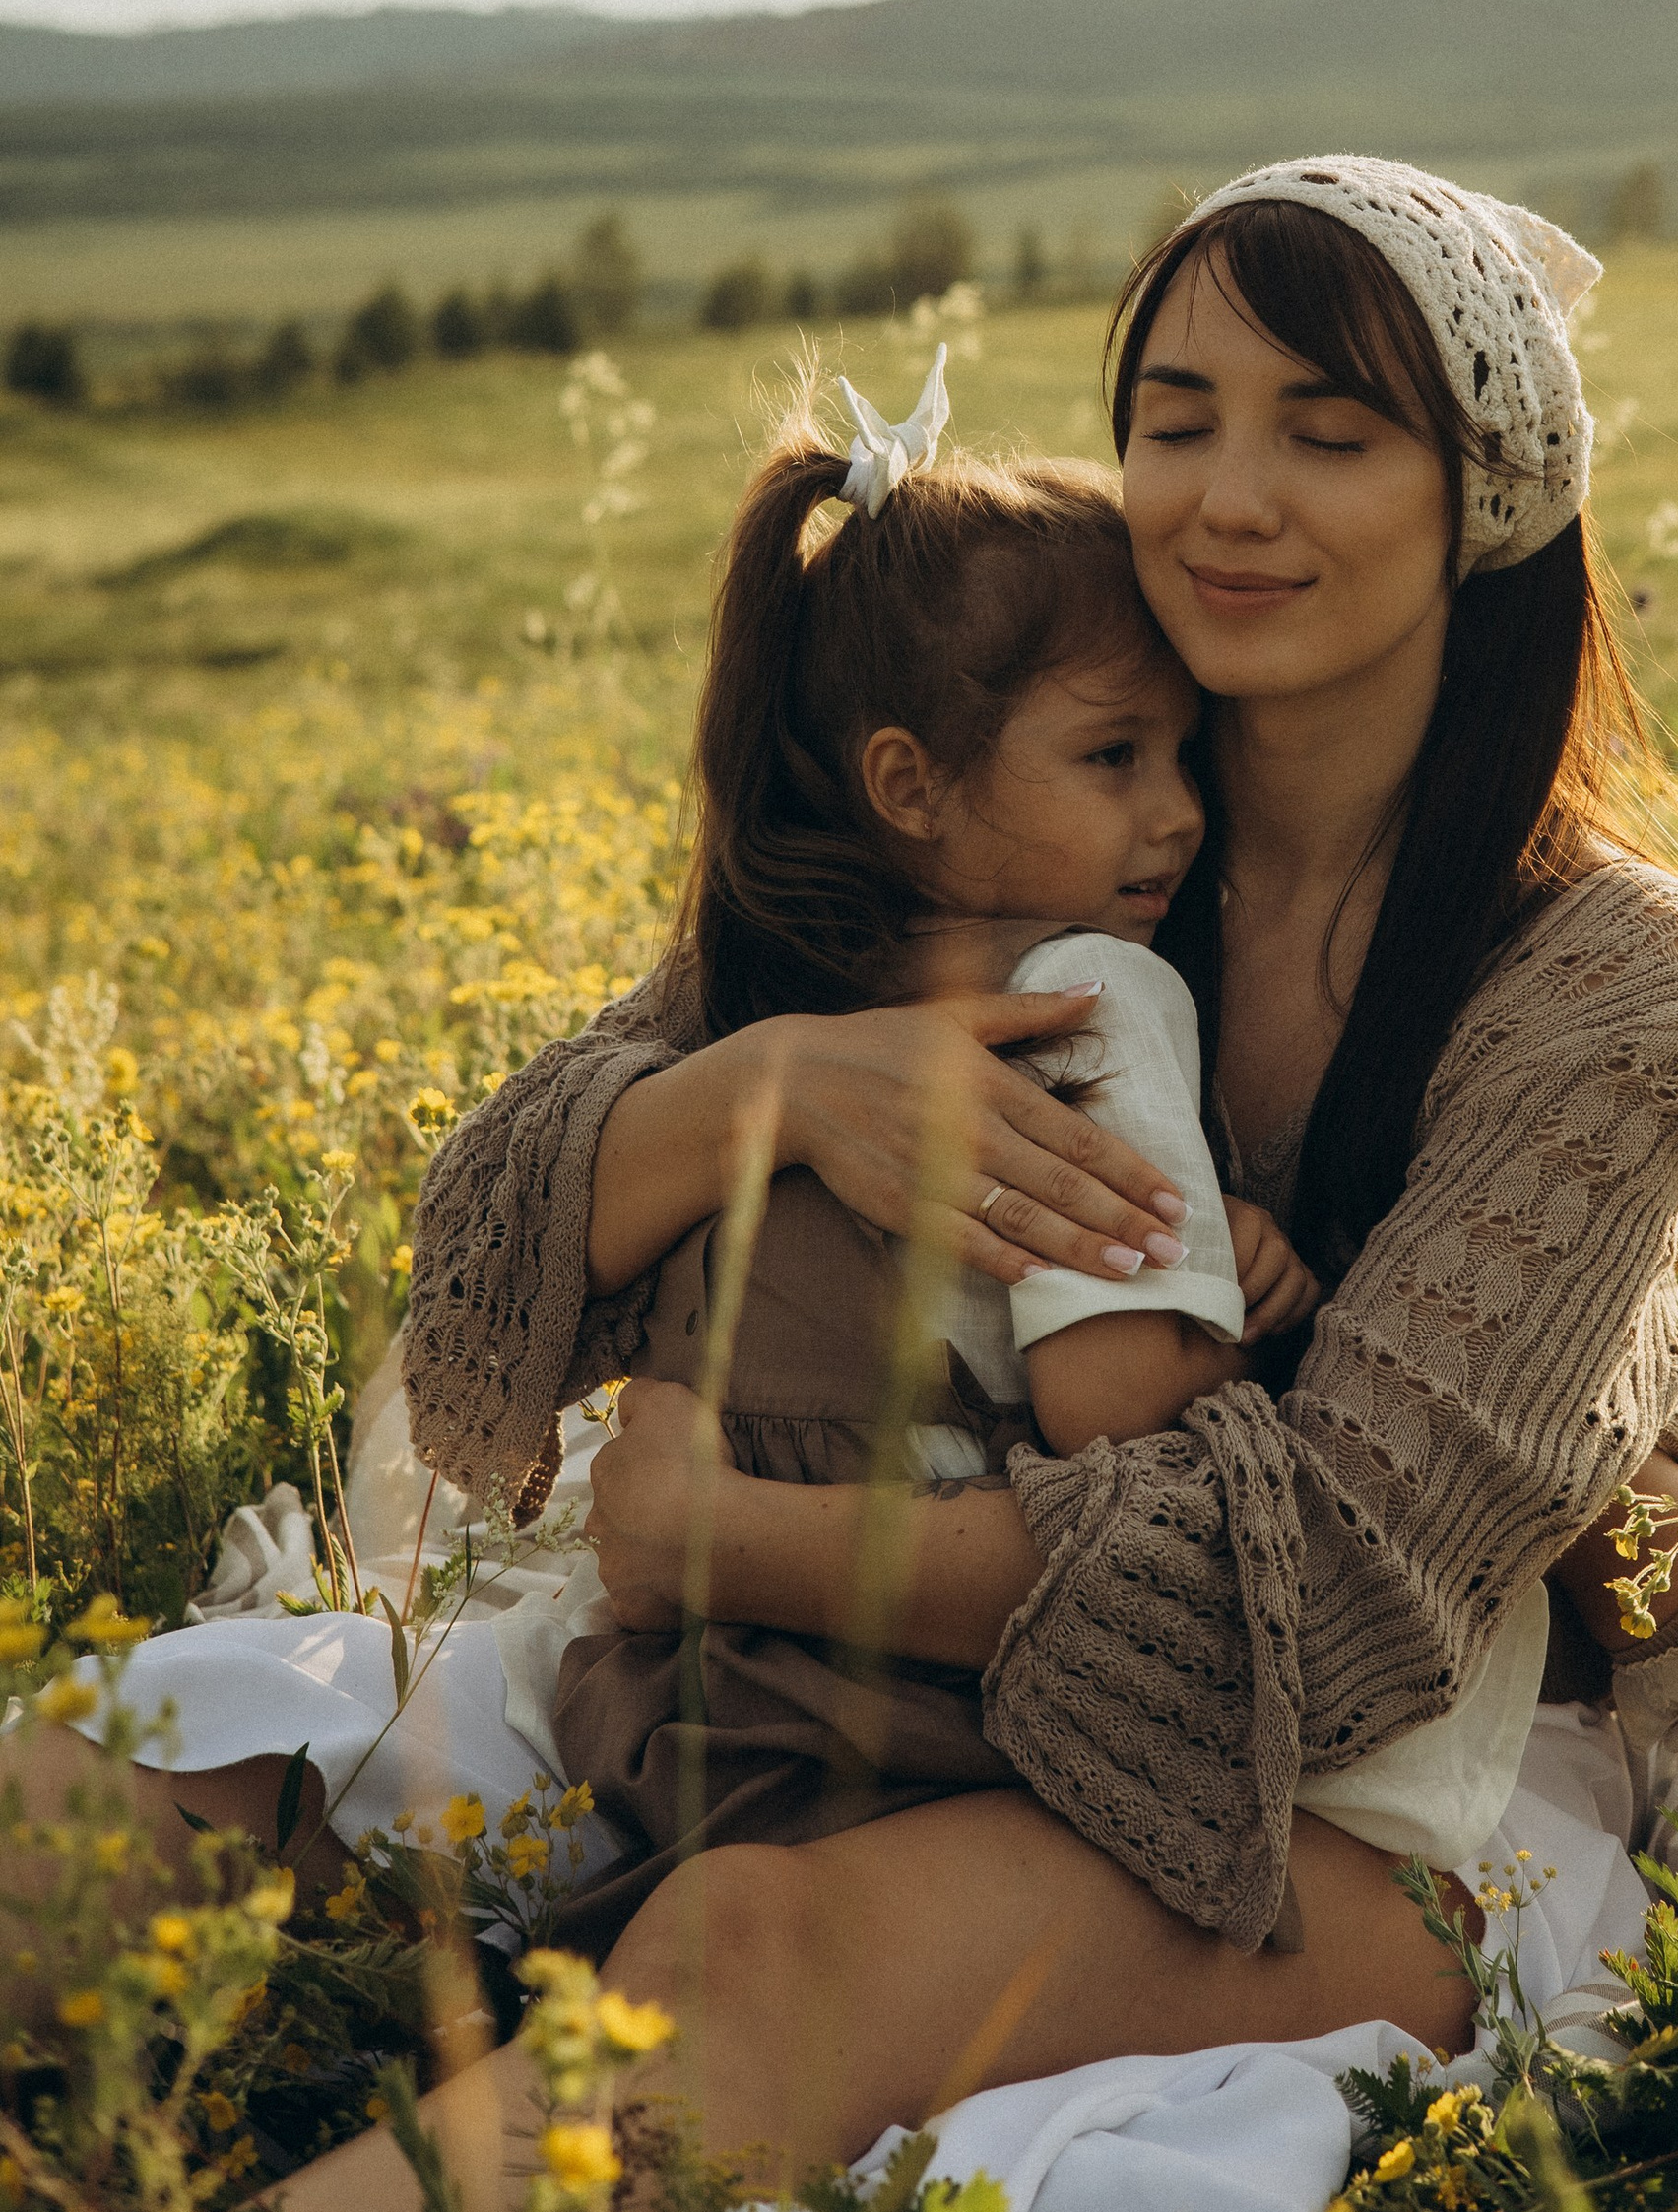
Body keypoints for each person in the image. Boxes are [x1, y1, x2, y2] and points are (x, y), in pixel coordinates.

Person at [30, 155, 1678, 2212]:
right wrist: (769, 1089)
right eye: (1174, 418)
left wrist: (742, 1537)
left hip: (1344, 1798)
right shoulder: (1053, 790)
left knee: (753, 1947)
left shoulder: (1605, 981)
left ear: (1480, 495)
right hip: (826, 1682)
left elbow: (1324, 1613)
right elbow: (501, 1200)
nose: (1227, 496)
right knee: (115, 1782)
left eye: (1328, 435)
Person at [523, 391, 1553, 1939]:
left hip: (676, 1708)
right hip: (920, 1726)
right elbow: (1109, 1396)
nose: (1180, 815)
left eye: (1184, 756)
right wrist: (1242, 1309)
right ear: (908, 783)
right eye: (1115, 756)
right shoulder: (1099, 995)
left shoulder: (787, 976)